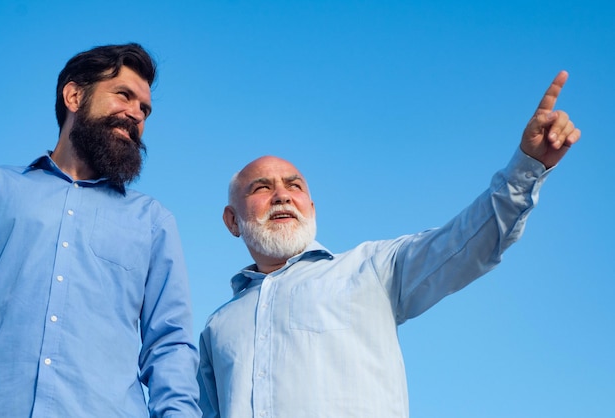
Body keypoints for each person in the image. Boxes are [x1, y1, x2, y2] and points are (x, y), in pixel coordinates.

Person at [197, 70, 581, 418]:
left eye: (294, 185)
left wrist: (527, 167)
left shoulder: (372, 269)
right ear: (232, 220)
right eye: (262, 188)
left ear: (310, 206)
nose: (282, 195)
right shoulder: (217, 327)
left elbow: (468, 241)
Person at [0, 43, 201, 417]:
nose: (136, 114)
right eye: (124, 95)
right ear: (73, 96)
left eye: (145, 109)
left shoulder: (152, 222)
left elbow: (170, 345)